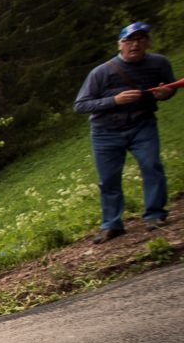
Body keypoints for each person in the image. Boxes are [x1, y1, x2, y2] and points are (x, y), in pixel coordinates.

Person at [74, 22, 176, 244]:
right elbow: (81, 105)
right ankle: (112, 224)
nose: (135, 44)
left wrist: (165, 94)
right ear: (120, 44)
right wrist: (114, 100)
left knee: (151, 166)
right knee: (108, 179)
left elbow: (169, 88)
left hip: (142, 124)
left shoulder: (159, 63)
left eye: (140, 39)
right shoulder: (101, 72)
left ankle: (155, 215)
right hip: (105, 131)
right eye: (129, 40)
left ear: (147, 41)